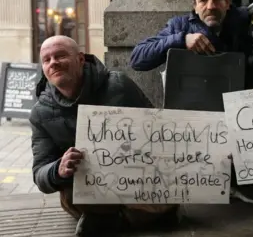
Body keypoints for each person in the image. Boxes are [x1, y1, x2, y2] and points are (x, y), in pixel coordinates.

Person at [129, 0, 253, 204]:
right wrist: (181, 39)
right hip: (194, 117)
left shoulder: (243, 22)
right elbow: (137, 59)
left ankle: (236, 182)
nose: (210, 6)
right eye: (203, 0)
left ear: (227, 3)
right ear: (194, 6)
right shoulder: (180, 25)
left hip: (240, 114)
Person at [30, 35, 180, 237]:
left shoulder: (118, 85)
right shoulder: (41, 113)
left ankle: (113, 219)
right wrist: (58, 169)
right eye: (46, 60)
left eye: (60, 55)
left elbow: (160, 131)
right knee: (69, 196)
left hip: (136, 174)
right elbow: (40, 173)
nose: (53, 63)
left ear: (80, 59)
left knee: (170, 189)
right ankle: (135, 216)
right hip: (87, 188)